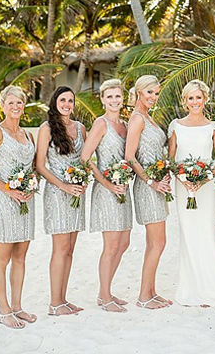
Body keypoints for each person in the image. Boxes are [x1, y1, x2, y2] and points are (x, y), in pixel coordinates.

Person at [0, 86, 37, 329]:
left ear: (24, 105)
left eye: (19, 103)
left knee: (20, 257)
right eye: (11, 103)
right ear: (3, 105)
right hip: (6, 201)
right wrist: (8, 189)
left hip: (26, 202)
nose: (15, 107)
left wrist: (31, 187)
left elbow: (32, 169)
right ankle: (3, 311)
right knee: (2, 259)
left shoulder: (28, 135)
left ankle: (17, 306)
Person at [168, 80, 215, 307]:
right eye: (190, 98)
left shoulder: (213, 127)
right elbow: (171, 159)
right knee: (188, 233)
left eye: (198, 97)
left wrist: (204, 179)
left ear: (205, 99)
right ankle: (190, 289)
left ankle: (213, 288)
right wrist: (183, 179)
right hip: (183, 187)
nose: (195, 102)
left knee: (208, 231)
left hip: (207, 187)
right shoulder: (176, 126)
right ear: (185, 101)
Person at [80, 79, 132, 313]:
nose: (114, 100)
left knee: (124, 242)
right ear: (102, 99)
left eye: (117, 96)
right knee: (111, 245)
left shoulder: (126, 124)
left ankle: (106, 291)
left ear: (123, 99)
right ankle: (104, 296)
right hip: (106, 189)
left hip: (123, 188)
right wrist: (106, 183)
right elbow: (85, 157)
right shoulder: (100, 124)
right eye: (109, 97)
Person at [35, 86, 87, 316]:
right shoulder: (46, 129)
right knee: (60, 248)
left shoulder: (81, 128)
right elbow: (40, 166)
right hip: (57, 193)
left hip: (77, 193)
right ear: (55, 101)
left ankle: (63, 299)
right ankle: (55, 303)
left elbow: (85, 160)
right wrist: (64, 185)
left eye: (71, 100)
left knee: (70, 249)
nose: (67, 104)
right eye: (63, 100)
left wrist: (83, 180)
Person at [125, 75, 172, 309]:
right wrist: (151, 182)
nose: (153, 97)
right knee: (158, 242)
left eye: (156, 93)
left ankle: (152, 291)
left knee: (156, 242)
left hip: (158, 185)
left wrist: (164, 172)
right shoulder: (136, 119)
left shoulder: (148, 118)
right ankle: (144, 296)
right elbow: (130, 157)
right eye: (149, 93)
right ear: (139, 93)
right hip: (147, 187)